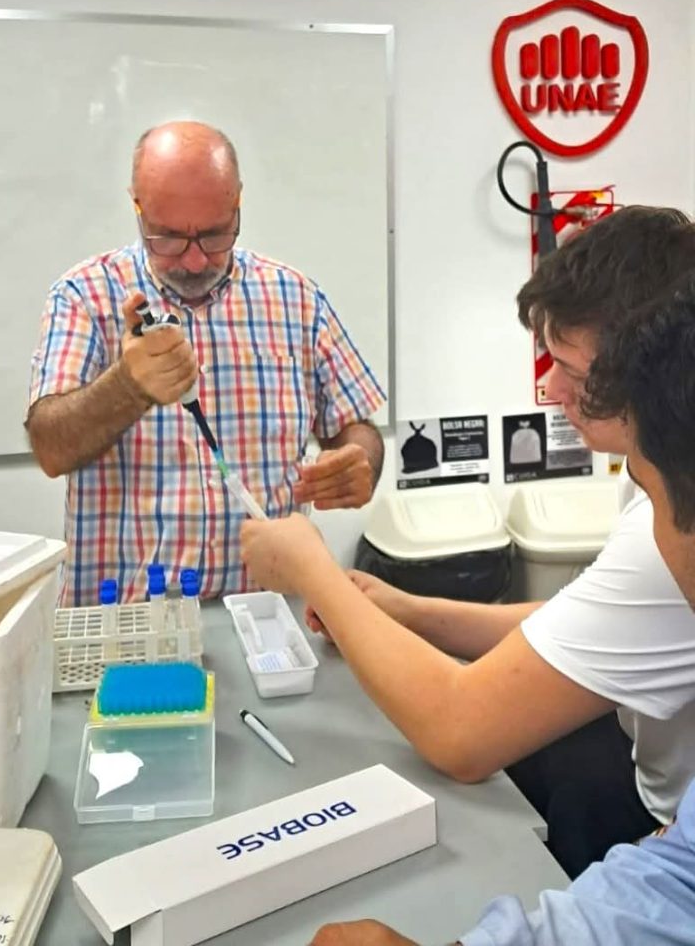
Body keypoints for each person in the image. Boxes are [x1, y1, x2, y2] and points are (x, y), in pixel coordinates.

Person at [243, 268, 695, 945]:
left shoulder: (663, 519)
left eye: (570, 365)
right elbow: (668, 880)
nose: (548, 387)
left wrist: (314, 570)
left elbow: (461, 731)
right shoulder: (655, 476)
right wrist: (406, 609)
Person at [27, 121, 385, 606]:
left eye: (215, 235)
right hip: (128, 625)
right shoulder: (85, 296)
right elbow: (50, 447)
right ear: (137, 207)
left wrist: (360, 462)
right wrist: (127, 387)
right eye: (169, 238)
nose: (195, 261)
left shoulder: (296, 299)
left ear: (238, 201)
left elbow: (356, 428)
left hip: (266, 615)